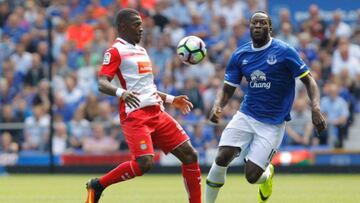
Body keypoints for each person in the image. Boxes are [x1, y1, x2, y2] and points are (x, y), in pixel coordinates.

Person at [204, 11, 327, 203]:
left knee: (251, 176)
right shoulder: (240, 55)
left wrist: (316, 108)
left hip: (273, 123)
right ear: (250, 27)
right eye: (254, 23)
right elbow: (228, 88)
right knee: (222, 157)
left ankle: (267, 174)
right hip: (246, 114)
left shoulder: (285, 51)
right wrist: (218, 105)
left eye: (262, 23)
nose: (258, 26)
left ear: (270, 28)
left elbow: (309, 81)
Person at [85, 8, 201, 203]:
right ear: (123, 26)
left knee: (190, 155)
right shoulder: (115, 51)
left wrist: (172, 99)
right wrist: (122, 93)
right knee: (144, 163)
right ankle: (98, 185)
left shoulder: (141, 50)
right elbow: (102, 82)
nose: (141, 29)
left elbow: (148, 88)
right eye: (137, 24)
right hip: (135, 116)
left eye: (142, 24)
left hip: (157, 112)